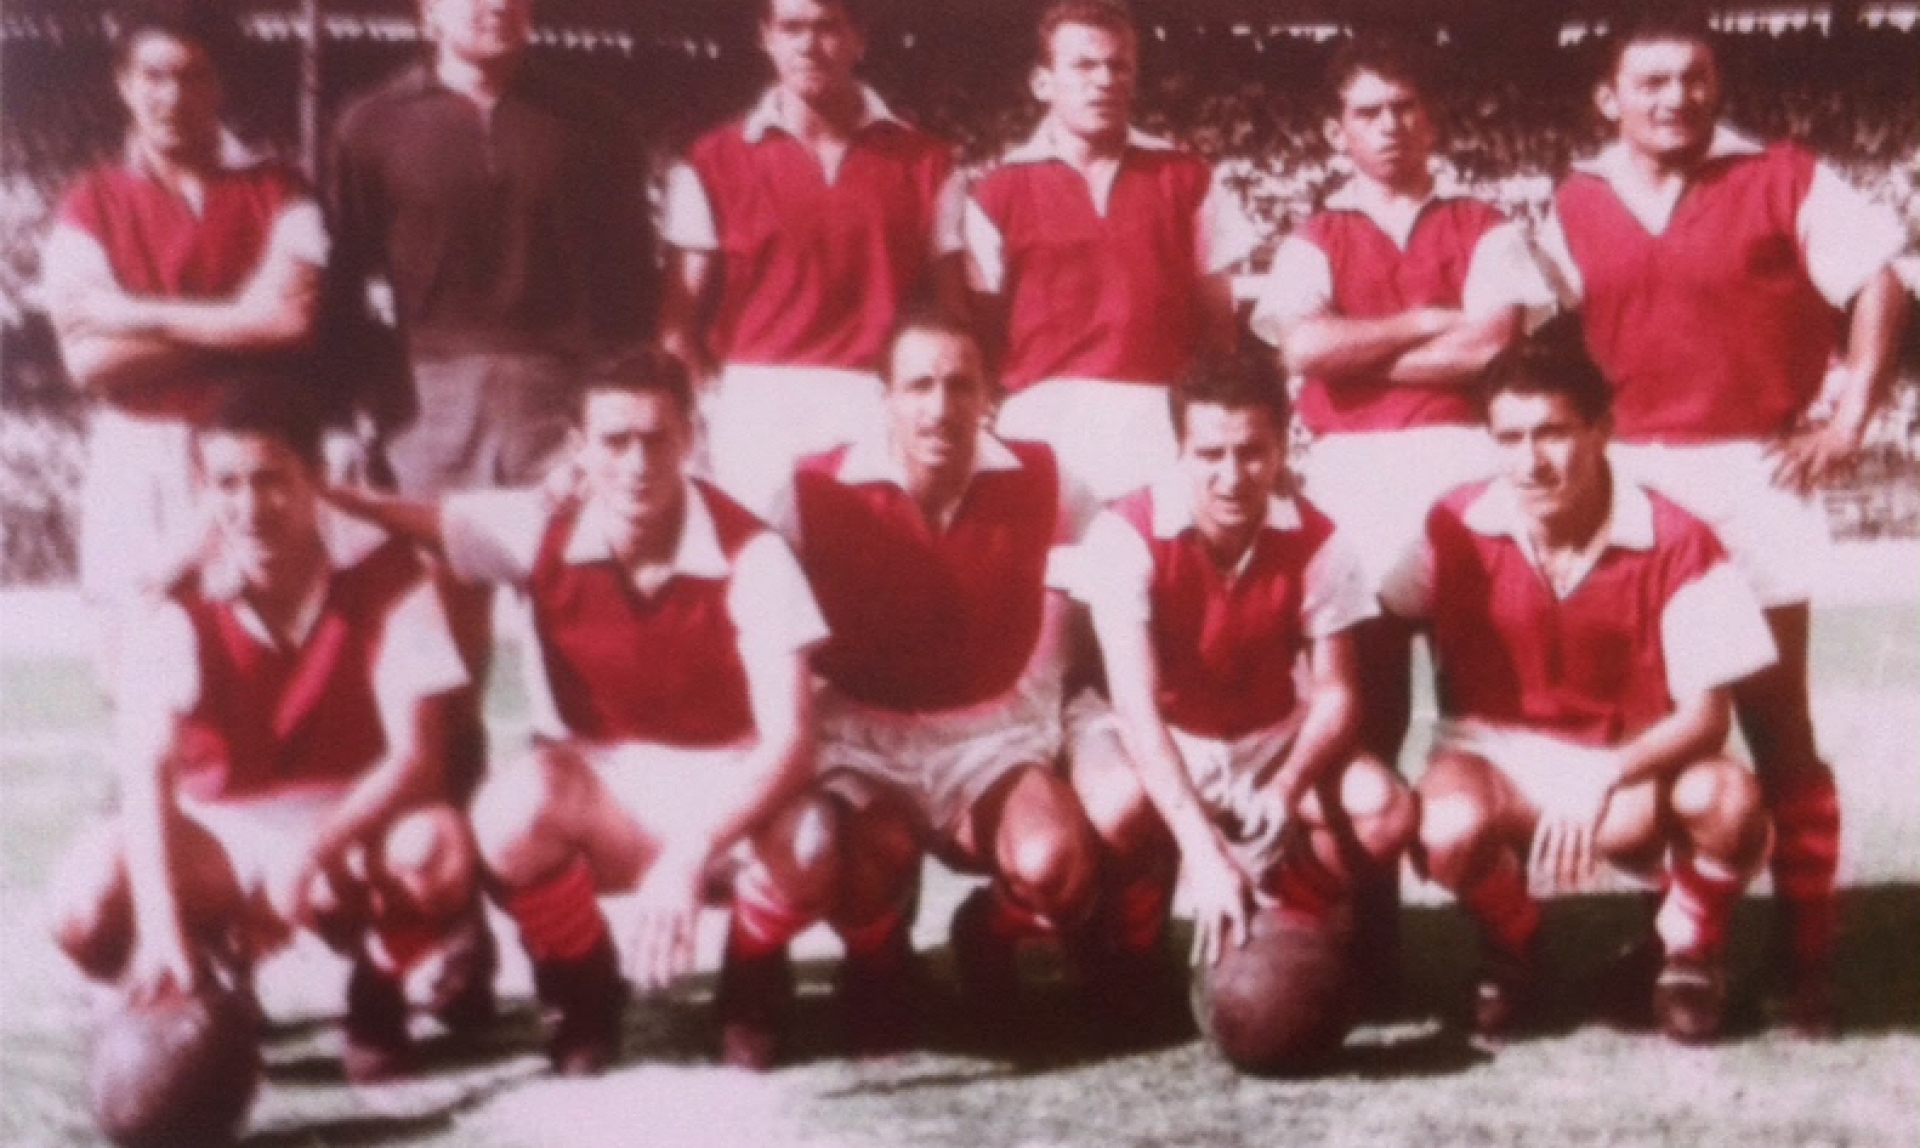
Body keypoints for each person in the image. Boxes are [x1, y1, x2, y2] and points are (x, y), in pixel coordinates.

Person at [1535, 17, 1911, 1033]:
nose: (1677, 97)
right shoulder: (1574, 199)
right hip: (1630, 479)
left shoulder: (1782, 174)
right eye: (1652, 81)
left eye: (1695, 77)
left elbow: (1881, 275)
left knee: (1777, 718)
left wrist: (1851, 416)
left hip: (1754, 468)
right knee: (1648, 731)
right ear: (1609, 98)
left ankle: (1807, 953)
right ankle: (1682, 940)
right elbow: (1529, 327)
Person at [331, 348, 835, 1073]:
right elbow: (423, 521)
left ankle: (751, 980)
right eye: (614, 441)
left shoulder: (753, 552)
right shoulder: (540, 529)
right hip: (606, 798)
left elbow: (791, 744)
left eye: (656, 439)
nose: (636, 464)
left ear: (691, 438)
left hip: (728, 793)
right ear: (579, 447)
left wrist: (691, 851)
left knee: (813, 839)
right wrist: (314, 491)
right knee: (508, 814)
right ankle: (585, 981)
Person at [45, 377, 483, 1083]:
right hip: (215, 828)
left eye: (271, 480)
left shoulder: (386, 567)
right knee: (84, 904)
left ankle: (376, 988)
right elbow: (145, 771)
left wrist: (309, 856)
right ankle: (204, 969)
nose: (249, 508)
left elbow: (418, 757)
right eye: (228, 483)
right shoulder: (173, 589)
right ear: (202, 486)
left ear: (315, 475)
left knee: (435, 848)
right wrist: (159, 928)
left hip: (348, 817)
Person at [1248, 32, 1556, 1000]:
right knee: (1360, 724)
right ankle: (1366, 938)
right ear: (1337, 130)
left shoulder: (1486, 222)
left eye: (1405, 107)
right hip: (1349, 485)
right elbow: (1302, 346)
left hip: (1468, 477)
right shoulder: (1312, 236)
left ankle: (1508, 936)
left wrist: (1362, 351)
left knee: (1486, 717)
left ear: (1434, 118)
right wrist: (1426, 321)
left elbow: (1491, 347)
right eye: (1368, 111)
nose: (1388, 126)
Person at [1382, 330, 1778, 1044]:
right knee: (1444, 827)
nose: (1530, 461)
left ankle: (1690, 946)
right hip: (1498, 760)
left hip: (1628, 764)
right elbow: (1379, 625)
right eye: (1509, 438)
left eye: (1553, 433)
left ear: (1602, 429)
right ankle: (1517, 945)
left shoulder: (1676, 536)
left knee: (1726, 798)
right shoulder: (1453, 524)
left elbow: (1707, 717)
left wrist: (1606, 773)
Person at [776, 310, 1098, 1046]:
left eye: (960, 386)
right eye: (918, 386)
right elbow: (735, 570)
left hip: (990, 736)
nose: (939, 407)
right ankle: (878, 953)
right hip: (862, 740)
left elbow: (1127, 557)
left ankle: (988, 931)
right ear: (884, 395)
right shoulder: (810, 487)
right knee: (854, 853)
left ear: (989, 394)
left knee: (1053, 861)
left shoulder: (1049, 478)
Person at [1066, 351, 1416, 1021]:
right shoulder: (1124, 534)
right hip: (1162, 729)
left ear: (1283, 447)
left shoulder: (1320, 540)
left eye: (1252, 452)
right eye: (1210, 454)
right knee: (1118, 805)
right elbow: (1137, 707)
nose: (1231, 477)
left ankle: (1284, 915)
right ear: (1180, 451)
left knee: (1385, 810)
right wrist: (1202, 851)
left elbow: (1338, 694)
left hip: (1266, 734)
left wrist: (1285, 789)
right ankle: (1134, 937)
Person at [327, 0, 655, 498]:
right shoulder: (372, 125)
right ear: (430, 7)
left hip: (564, 394)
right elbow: (341, 281)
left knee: (564, 552)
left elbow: (631, 278)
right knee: (435, 551)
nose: (500, 4)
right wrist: (351, 407)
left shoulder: (595, 122)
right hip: (426, 401)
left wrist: (621, 398)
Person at [44, 5, 328, 657]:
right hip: (136, 454)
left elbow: (289, 321)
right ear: (125, 84)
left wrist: (130, 313)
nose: (172, 97)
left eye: (193, 76)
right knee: (136, 660)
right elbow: (89, 363)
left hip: (253, 453)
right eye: (154, 76)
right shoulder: (87, 202)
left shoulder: (281, 189)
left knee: (266, 659)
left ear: (220, 84)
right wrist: (243, 321)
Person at [660, 0, 966, 517]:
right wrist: (707, 406)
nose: (808, 45)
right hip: (754, 402)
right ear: (766, 37)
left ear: (858, 39)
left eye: (828, 27)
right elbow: (678, 324)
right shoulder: (711, 160)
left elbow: (952, 312)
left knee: (868, 563)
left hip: (873, 397)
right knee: (758, 563)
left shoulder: (927, 162)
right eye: (791, 28)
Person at [962, 0, 1261, 504]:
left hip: (1157, 420)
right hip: (1042, 419)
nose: (1104, 80)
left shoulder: (1186, 177)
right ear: (1042, 82)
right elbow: (982, 330)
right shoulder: (996, 191)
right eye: (1084, 65)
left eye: (1118, 66)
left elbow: (1218, 327)